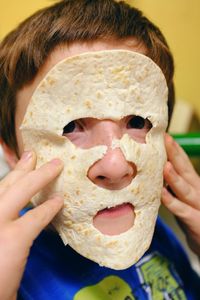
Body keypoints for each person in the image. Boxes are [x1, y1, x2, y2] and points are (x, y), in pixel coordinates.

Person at [0, 0, 199, 299]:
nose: (116, 165)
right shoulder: (14, 276)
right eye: (70, 127)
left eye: (136, 120)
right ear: (13, 154)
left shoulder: (158, 231)